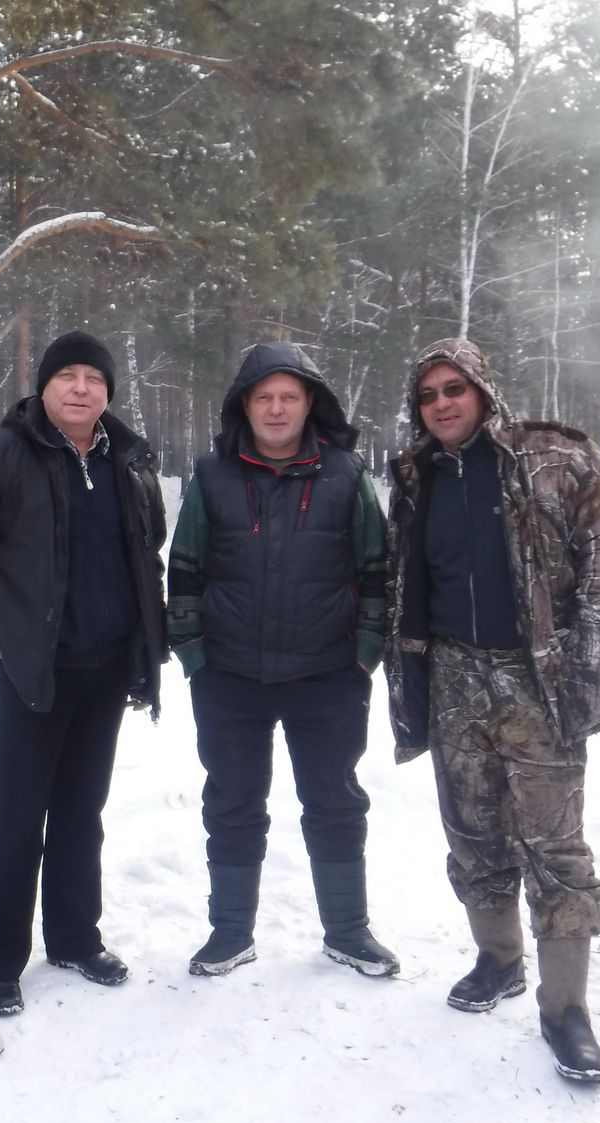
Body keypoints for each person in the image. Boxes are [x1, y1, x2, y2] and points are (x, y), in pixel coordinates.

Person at [384, 337, 600, 1084]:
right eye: (428, 394)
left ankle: (566, 1010)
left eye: (454, 388)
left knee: (554, 847)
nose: (442, 404)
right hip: (452, 678)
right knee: (473, 834)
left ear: (483, 390)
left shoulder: (550, 456)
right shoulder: (416, 477)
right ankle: (498, 959)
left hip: (537, 680)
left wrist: (589, 647)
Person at [0, 330, 167, 1019]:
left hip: (105, 669)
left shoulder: (127, 460)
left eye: (93, 378)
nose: (80, 387)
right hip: (32, 675)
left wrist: (143, 648)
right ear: (43, 386)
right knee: (15, 817)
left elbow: (147, 552)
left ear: (108, 392)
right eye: (66, 375)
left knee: (81, 811)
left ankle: (74, 939)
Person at [166, 342, 399, 980]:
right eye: (264, 397)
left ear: (309, 404)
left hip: (328, 674)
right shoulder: (213, 476)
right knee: (232, 803)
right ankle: (229, 933)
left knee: (335, 802)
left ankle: (348, 932)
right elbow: (184, 569)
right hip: (229, 676)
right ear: (244, 405)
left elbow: (376, 571)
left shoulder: (346, 475)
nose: (276, 408)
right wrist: (194, 655)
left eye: (288, 397)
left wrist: (365, 653)